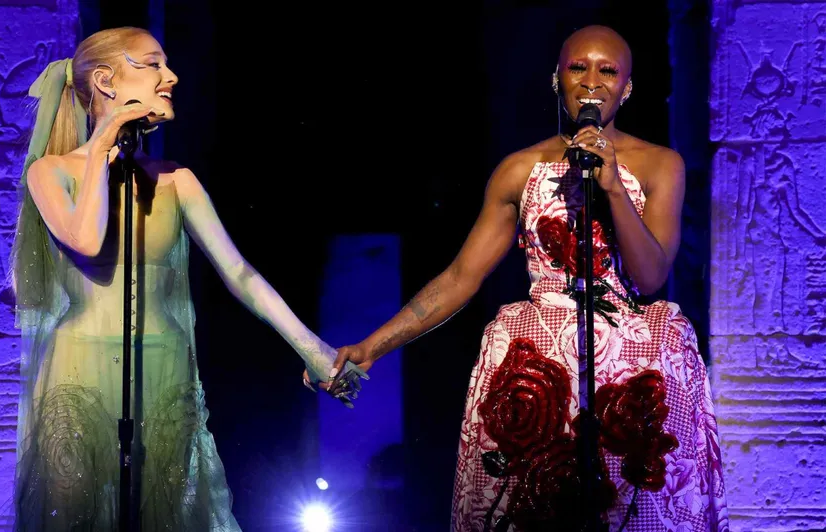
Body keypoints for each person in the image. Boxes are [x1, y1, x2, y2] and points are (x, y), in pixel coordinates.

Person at [309, 25, 728, 531]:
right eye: (578, 67)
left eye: (608, 71)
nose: (591, 82)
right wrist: (372, 346)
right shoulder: (518, 170)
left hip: (635, 372)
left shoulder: (661, 165)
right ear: (556, 79)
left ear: (628, 87)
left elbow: (652, 274)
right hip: (538, 370)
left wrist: (614, 187)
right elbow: (461, 277)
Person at [8, 27, 363, 531]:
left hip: (165, 369)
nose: (170, 76)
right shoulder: (50, 172)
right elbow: (85, 241)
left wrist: (313, 350)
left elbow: (240, 273)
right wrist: (103, 144)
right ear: (106, 80)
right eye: (153, 63)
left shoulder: (177, 181)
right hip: (78, 368)